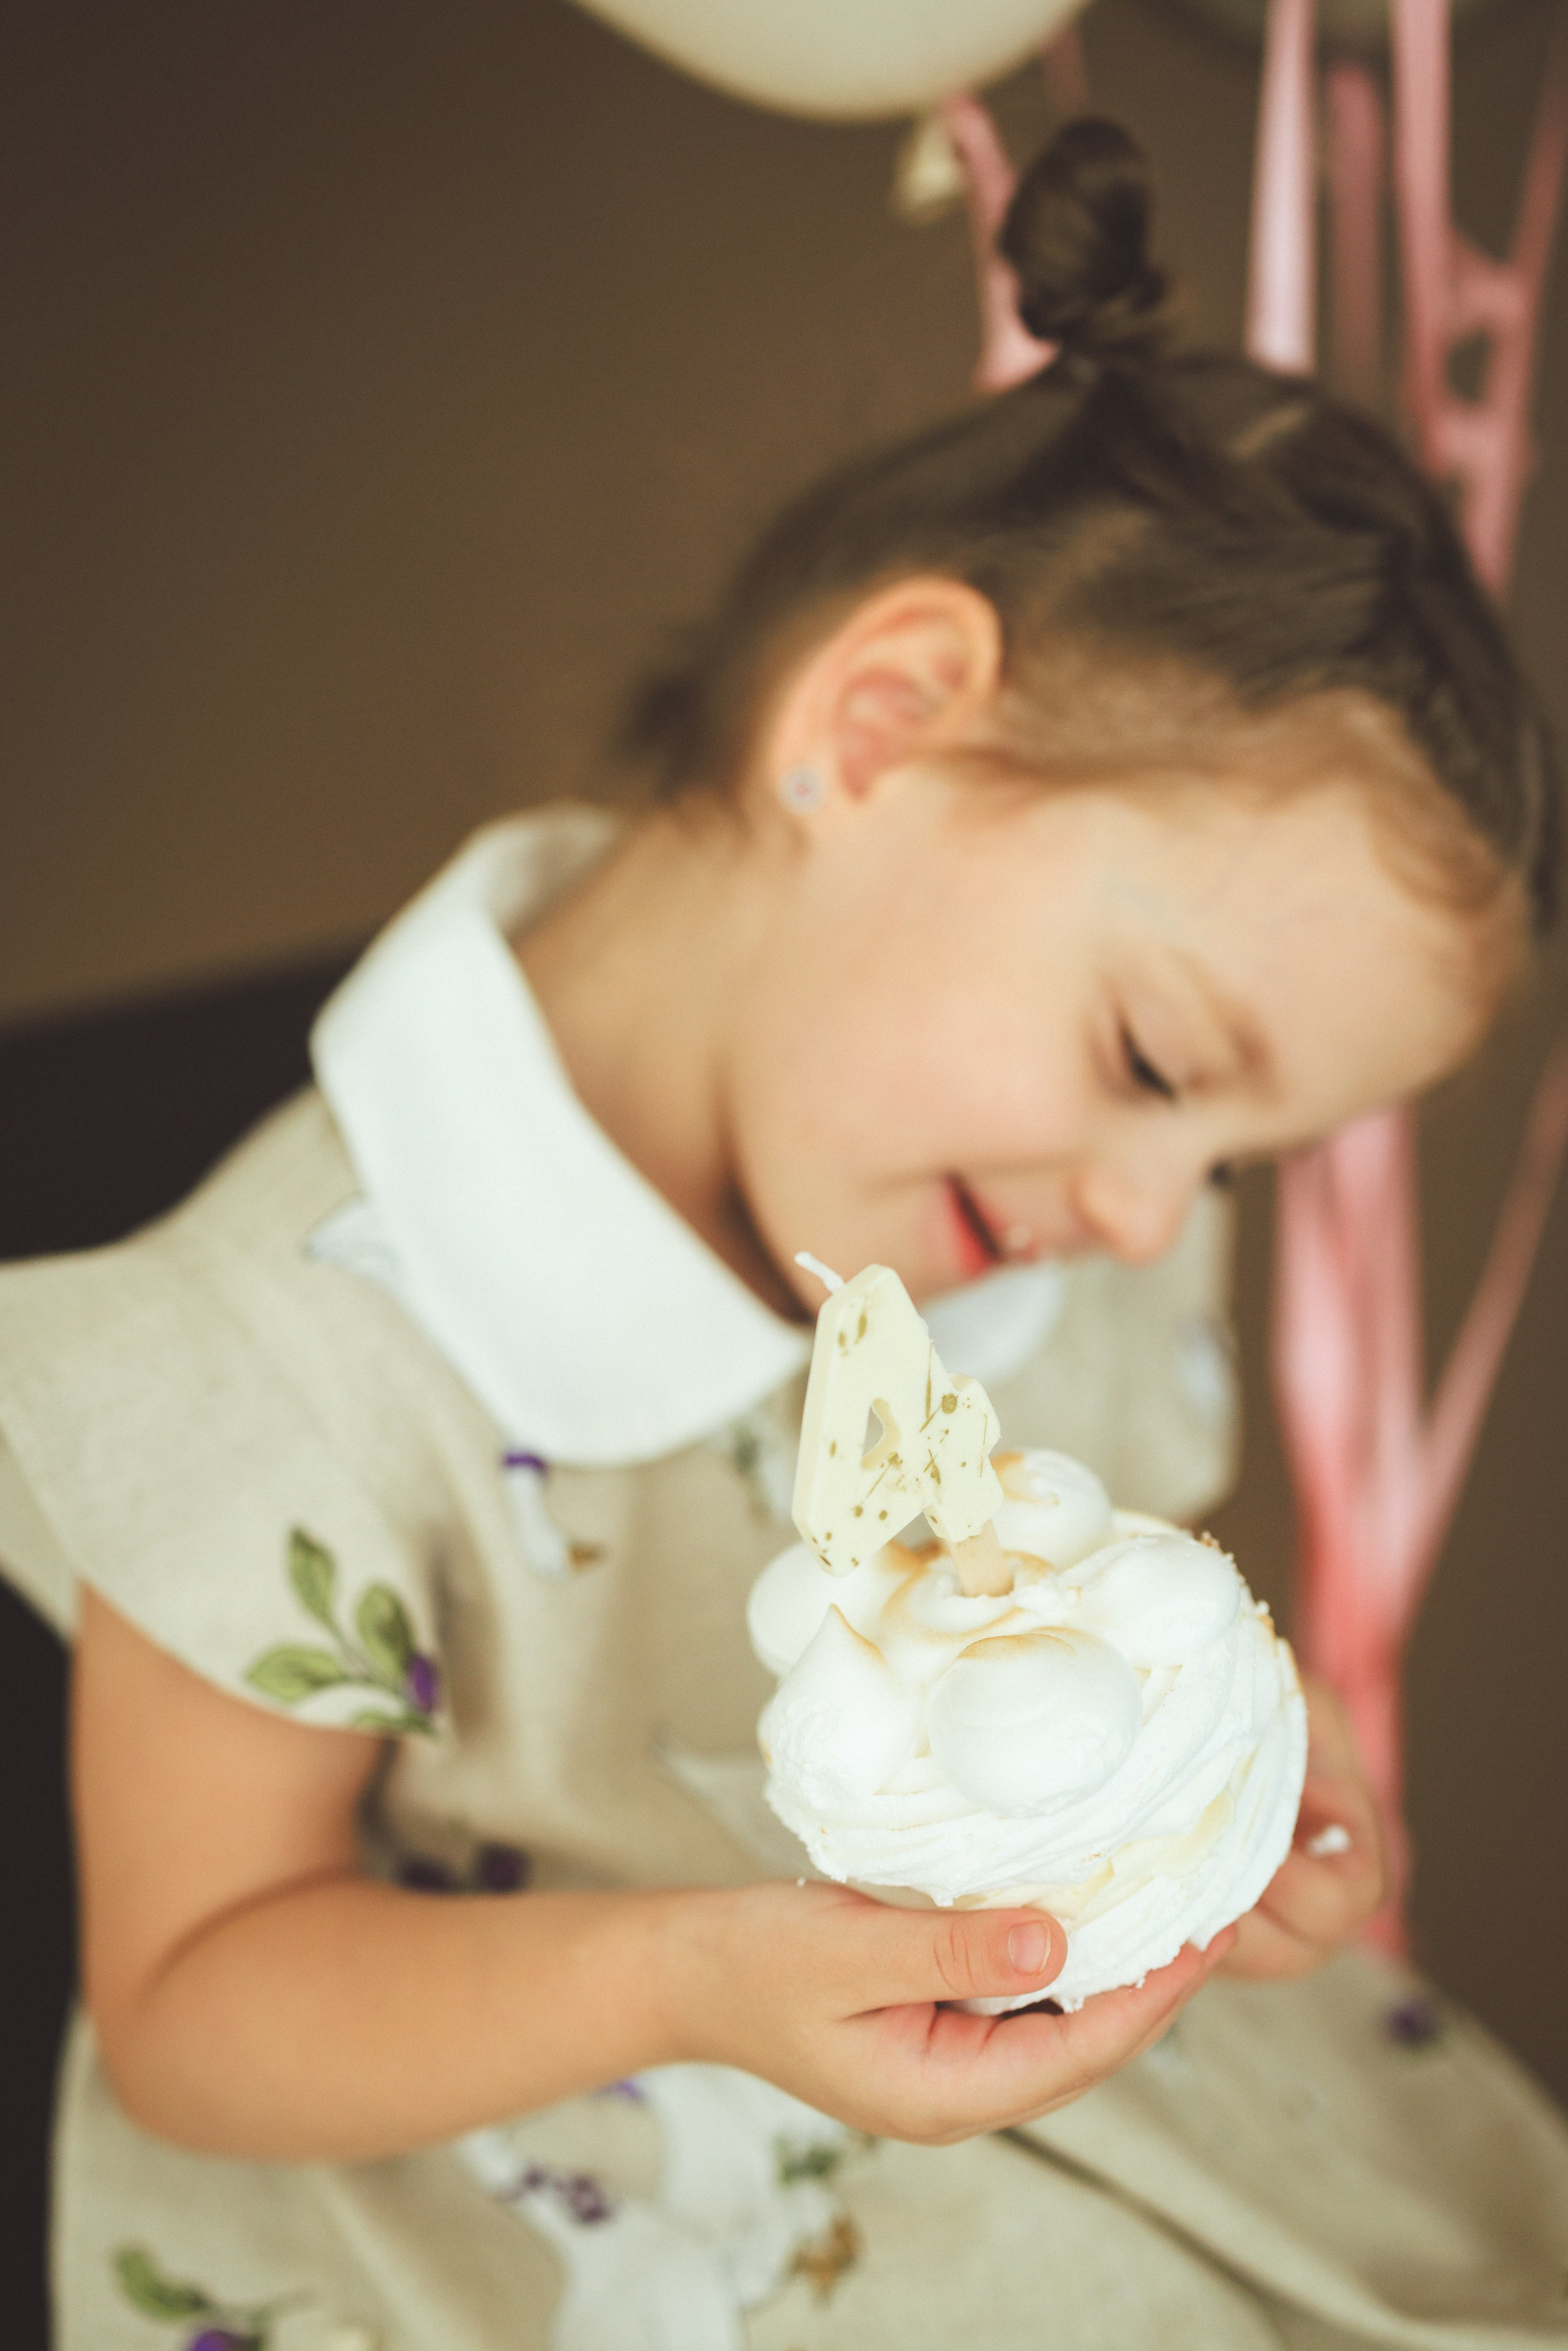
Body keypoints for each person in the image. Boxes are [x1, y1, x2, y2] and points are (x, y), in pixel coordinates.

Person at [2, 118, 1565, 2351]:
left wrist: (1194, 1764)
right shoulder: (287, 1358)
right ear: (882, 722)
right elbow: (192, 2003)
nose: (1145, 1215)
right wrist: (693, 1979)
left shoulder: (1042, 1232)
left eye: (1237, 1162)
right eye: (1152, 1061)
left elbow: (1050, 1651)